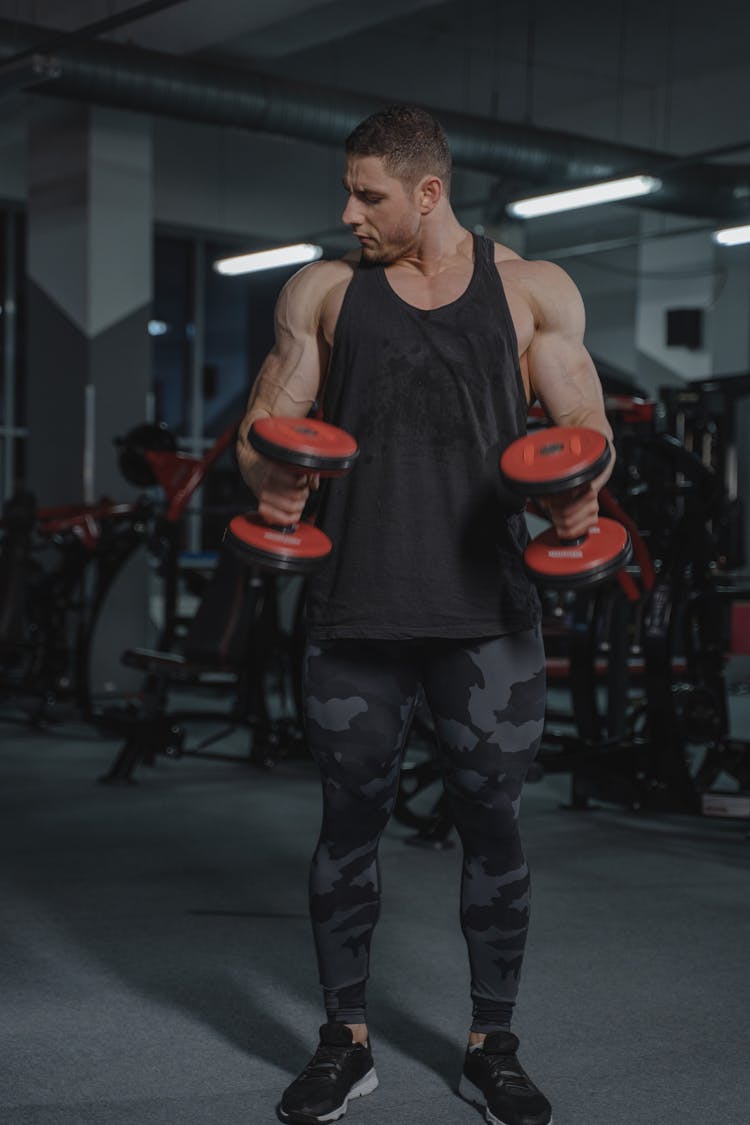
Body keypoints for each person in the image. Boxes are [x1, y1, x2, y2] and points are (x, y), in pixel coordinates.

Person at [237, 104, 614, 1125]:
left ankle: (494, 1043)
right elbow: (266, 422)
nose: (348, 212)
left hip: (489, 612)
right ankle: (344, 1038)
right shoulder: (323, 292)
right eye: (349, 192)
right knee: (346, 827)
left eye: (369, 195)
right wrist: (271, 479)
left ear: (429, 193)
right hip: (354, 607)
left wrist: (582, 489)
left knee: (494, 827)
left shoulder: (532, 290)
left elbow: (582, 423)